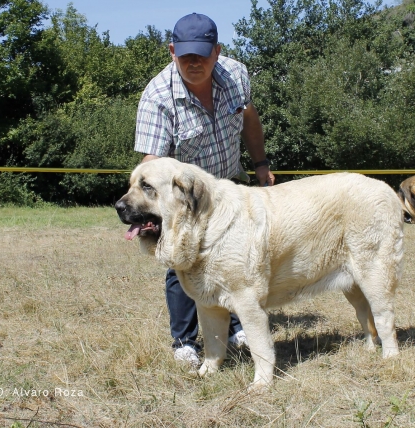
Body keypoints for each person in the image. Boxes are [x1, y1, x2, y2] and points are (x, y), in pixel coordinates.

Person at [134, 13, 275, 364]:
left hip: (229, 187)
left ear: (217, 51)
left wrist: (261, 166)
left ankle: (233, 327)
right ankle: (184, 341)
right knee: (181, 260)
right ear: (171, 52)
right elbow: (152, 164)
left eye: (202, 54)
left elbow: (250, 121)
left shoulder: (236, 74)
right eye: (185, 56)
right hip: (183, 198)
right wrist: (154, 212)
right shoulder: (157, 97)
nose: (194, 63)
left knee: (237, 257)